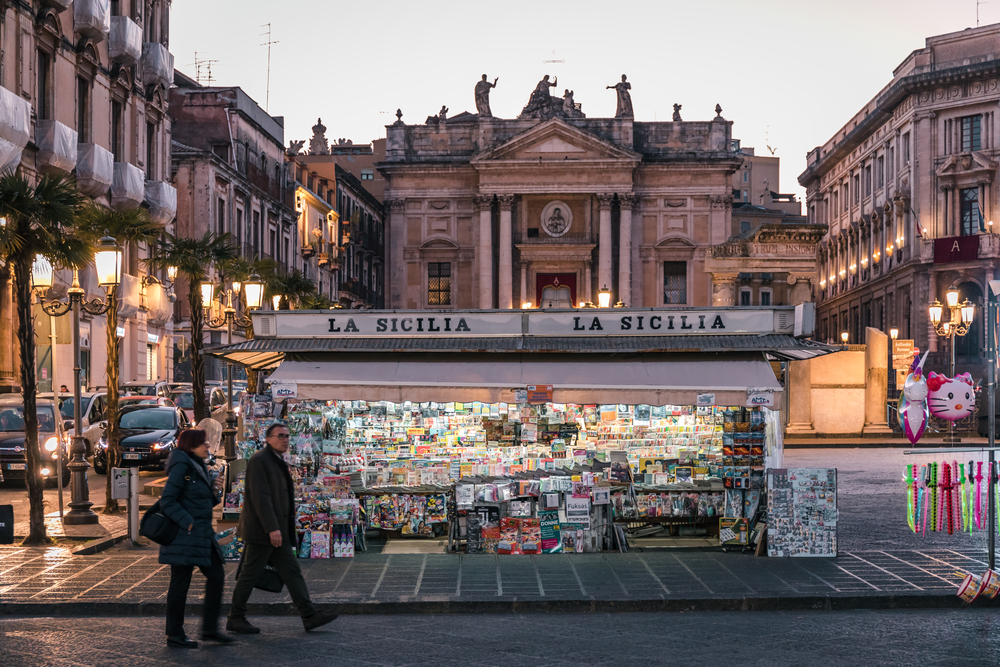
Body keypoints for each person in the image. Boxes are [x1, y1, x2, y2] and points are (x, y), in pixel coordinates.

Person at [227, 422, 337, 634]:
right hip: (263, 532)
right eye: (280, 436)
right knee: (249, 574)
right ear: (268, 438)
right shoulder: (260, 461)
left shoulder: (276, 460)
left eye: (287, 436)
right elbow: (261, 498)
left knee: (292, 572)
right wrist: (272, 528)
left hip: (276, 530)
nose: (285, 439)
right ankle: (235, 617)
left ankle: (309, 614)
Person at [159, 429, 231, 648]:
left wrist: (214, 491)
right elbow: (167, 501)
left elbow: (202, 503)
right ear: (191, 445)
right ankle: (175, 633)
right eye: (203, 443)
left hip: (201, 534)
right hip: (185, 535)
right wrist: (188, 522)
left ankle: (209, 628)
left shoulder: (197, 465)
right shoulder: (182, 466)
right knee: (180, 584)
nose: (208, 446)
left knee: (217, 575)